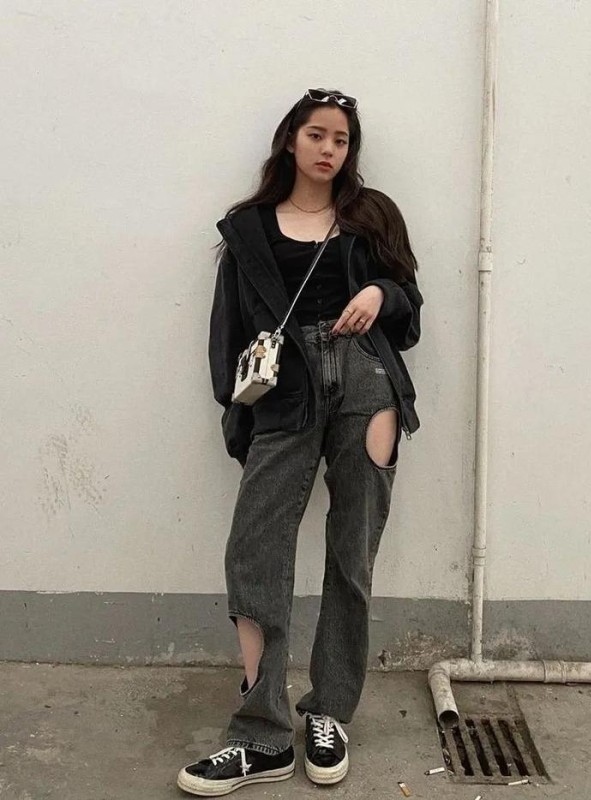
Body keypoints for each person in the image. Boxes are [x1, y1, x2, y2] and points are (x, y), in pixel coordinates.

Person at [177, 88, 423, 797]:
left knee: (353, 552)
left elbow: (410, 311)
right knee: (253, 548)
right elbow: (227, 334)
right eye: (317, 134)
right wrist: (238, 416)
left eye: (341, 139)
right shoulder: (248, 228)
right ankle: (261, 733)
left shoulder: (370, 214)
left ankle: (329, 713)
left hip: (367, 387)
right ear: (291, 139)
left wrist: (379, 293)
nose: (328, 149)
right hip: (284, 395)